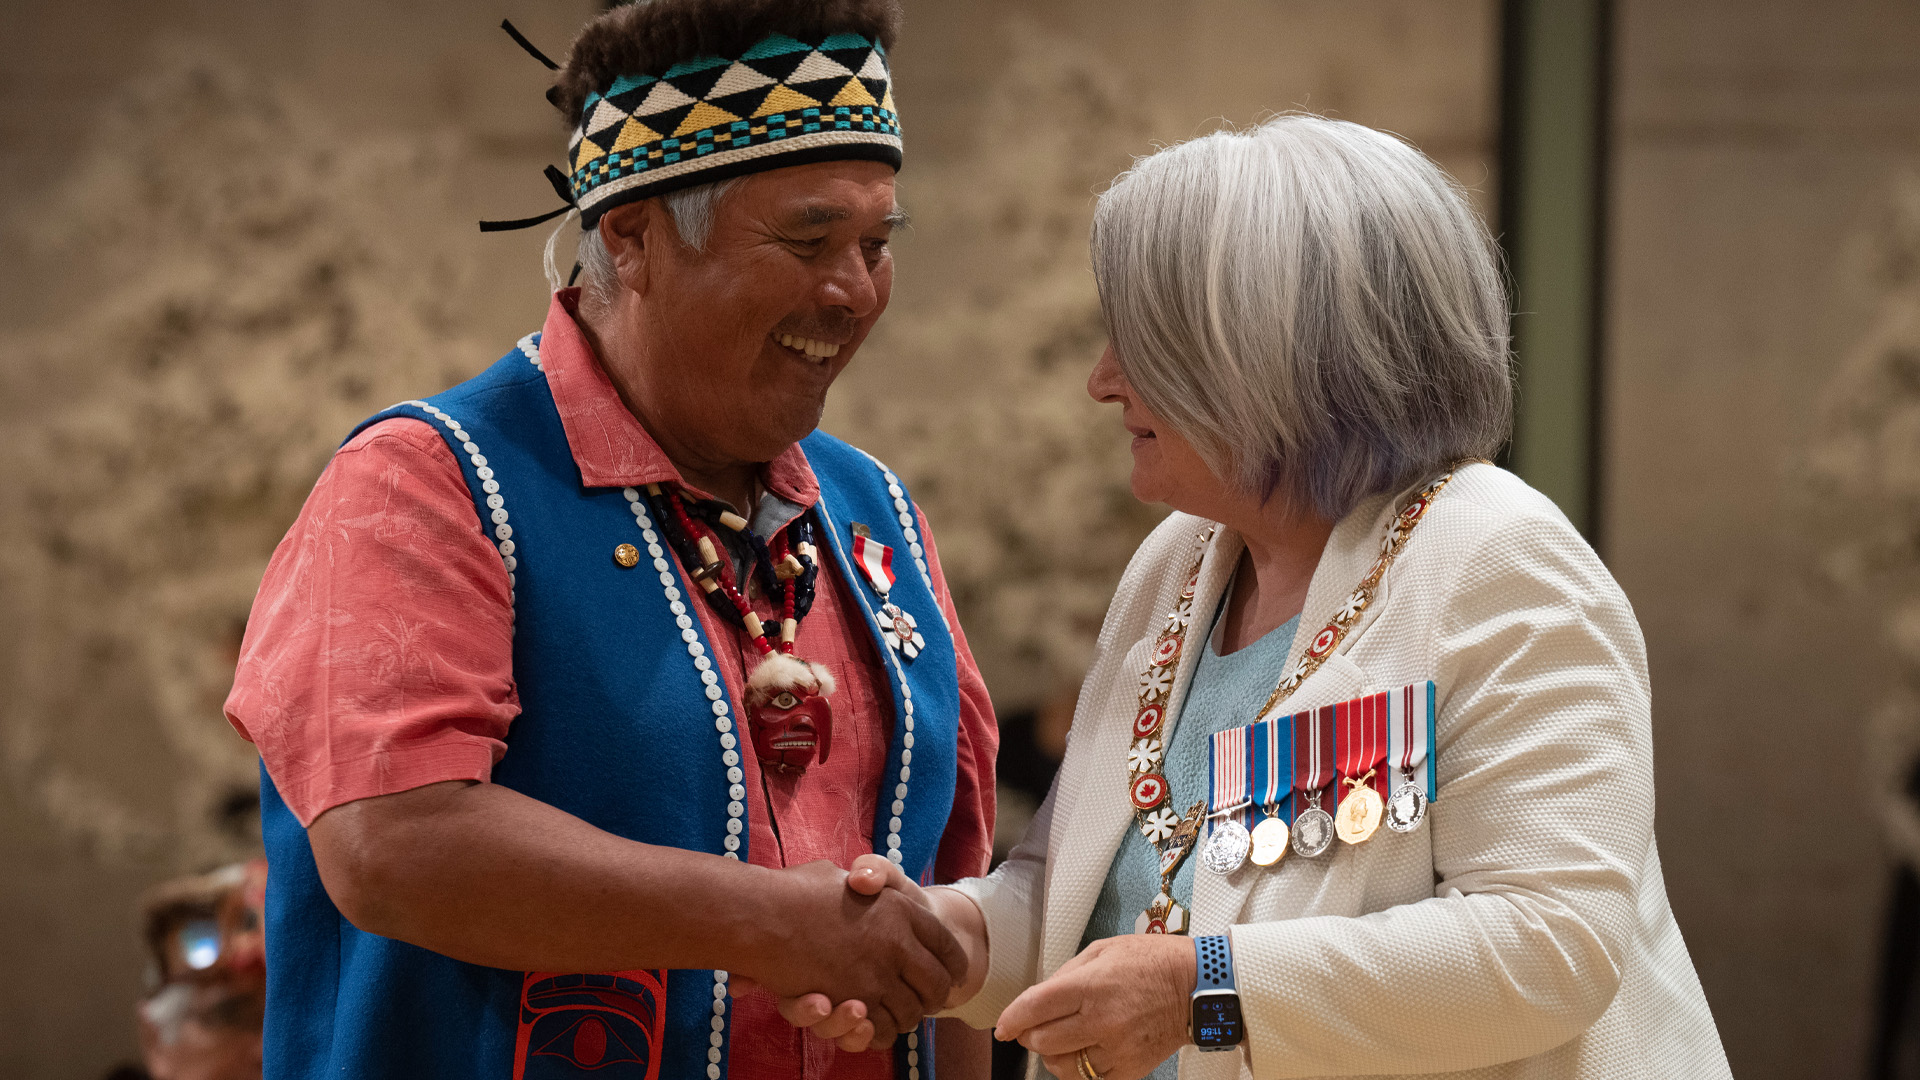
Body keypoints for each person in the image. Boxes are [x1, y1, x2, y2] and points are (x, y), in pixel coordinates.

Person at [778, 115, 1733, 1080]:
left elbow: (1552, 946)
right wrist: (936, 938)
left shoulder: (1500, 562)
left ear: (1267, 352)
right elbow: (1092, 897)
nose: (1101, 381)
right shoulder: (1180, 560)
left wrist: (1207, 989)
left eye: (1139, 342)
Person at [221, 2, 999, 1078]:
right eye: (809, 241)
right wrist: (769, 922)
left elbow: (950, 913)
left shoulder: (876, 515)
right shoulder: (429, 483)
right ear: (629, 237)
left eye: (876, 245)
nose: (853, 291)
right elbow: (393, 843)